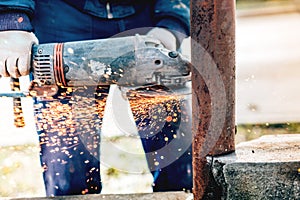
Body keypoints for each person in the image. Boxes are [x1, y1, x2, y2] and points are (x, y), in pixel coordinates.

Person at [0, 0, 192, 196]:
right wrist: (13, 21)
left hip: (145, 16)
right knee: (70, 166)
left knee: (178, 160)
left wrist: (170, 25)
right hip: (61, 18)